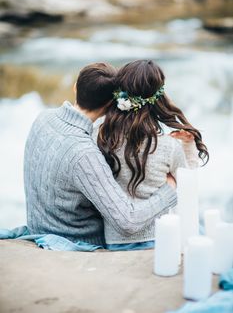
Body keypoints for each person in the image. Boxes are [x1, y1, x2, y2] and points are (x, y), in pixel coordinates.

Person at [24, 62, 177, 248]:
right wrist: (169, 190)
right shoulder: (84, 154)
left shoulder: (43, 117)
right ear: (111, 104)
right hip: (75, 242)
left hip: (37, 228)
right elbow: (128, 221)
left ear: (75, 88)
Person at [96, 59, 209, 250]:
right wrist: (189, 145)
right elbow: (188, 182)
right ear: (158, 98)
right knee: (202, 232)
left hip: (113, 239)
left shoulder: (99, 135)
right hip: (159, 239)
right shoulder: (168, 146)